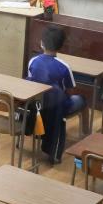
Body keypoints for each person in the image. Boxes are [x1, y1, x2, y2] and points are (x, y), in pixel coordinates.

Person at [26, 26, 85, 162]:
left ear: (41, 43)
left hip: (36, 105)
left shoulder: (33, 61)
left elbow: (30, 82)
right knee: (81, 99)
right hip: (57, 107)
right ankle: (85, 135)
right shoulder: (64, 66)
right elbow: (69, 89)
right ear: (61, 46)